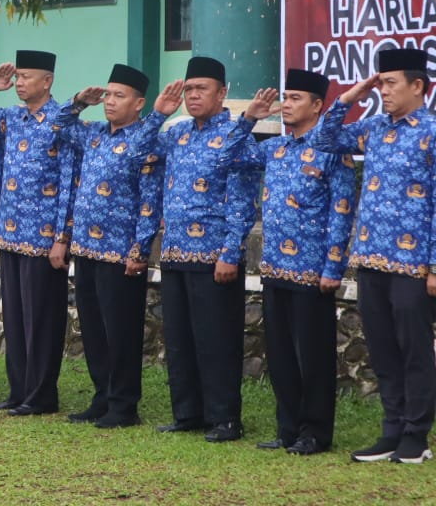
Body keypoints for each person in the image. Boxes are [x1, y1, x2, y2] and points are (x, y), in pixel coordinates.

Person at [308, 47, 436, 464]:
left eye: (390, 83)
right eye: (380, 82)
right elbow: (323, 138)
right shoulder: (375, 128)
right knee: (382, 348)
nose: (383, 90)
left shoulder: (432, 131)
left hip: (414, 263)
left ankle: (417, 435)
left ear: (419, 86)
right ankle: (391, 430)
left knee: (414, 349)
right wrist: (351, 96)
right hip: (371, 259)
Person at [235, 69, 355, 456]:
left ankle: (315, 432)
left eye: (296, 98)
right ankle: (288, 428)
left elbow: (341, 211)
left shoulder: (333, 152)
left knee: (314, 355)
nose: (286, 104)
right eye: (284, 97)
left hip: (311, 269)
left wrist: (333, 266)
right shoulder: (275, 149)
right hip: (274, 267)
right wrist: (250, 117)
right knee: (281, 353)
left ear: (318, 106)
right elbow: (227, 156)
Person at [51, 64, 172, 428]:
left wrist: (140, 251)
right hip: (87, 249)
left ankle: (124, 404)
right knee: (93, 328)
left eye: (119, 96)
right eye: (108, 94)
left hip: (121, 253)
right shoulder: (95, 135)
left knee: (121, 331)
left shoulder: (146, 140)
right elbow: (56, 128)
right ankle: (102, 395)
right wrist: (77, 103)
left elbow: (150, 203)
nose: (110, 101)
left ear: (139, 104)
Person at [144, 56, 256, 443]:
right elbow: (137, 151)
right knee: (179, 339)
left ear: (222, 93)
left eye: (201, 89)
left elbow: (243, 198)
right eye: (188, 89)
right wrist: (158, 114)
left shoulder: (236, 135)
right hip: (175, 251)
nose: (192, 96)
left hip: (214, 255)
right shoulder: (177, 134)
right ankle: (188, 412)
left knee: (217, 339)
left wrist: (231, 250)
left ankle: (225, 417)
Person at [0, 50, 74, 416]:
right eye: (17, 77)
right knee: (14, 318)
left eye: (27, 77)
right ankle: (19, 389)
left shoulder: (62, 119)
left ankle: (41, 395)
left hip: (42, 238)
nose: (20, 83)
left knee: (41, 319)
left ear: (48, 81)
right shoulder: (12, 118)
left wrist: (62, 237)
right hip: (10, 234)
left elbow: (69, 181)